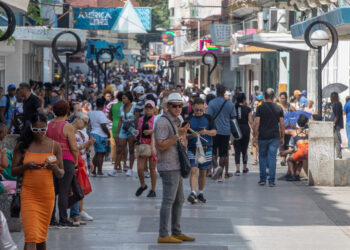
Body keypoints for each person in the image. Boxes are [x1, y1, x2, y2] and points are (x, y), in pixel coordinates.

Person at [12, 113, 64, 249]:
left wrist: (54, 168)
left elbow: (61, 173)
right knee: (31, 237)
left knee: (40, 238)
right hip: (28, 195)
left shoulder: (55, 146)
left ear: (47, 128)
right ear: (30, 128)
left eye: (43, 129)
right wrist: (26, 166)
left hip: (47, 196)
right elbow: (13, 171)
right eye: (36, 130)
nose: (39, 133)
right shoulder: (23, 145)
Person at [154, 92, 195, 244]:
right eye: (175, 106)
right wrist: (178, 136)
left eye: (180, 106)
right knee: (168, 200)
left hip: (176, 164)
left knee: (179, 200)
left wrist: (183, 137)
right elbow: (161, 145)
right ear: (168, 107)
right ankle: (163, 234)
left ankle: (176, 231)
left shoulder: (178, 120)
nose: (178, 108)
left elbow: (178, 139)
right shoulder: (163, 122)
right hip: (168, 165)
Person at [46, 100, 79, 227]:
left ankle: (51, 219)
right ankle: (63, 219)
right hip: (66, 159)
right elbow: (74, 147)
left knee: (53, 190)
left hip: (52, 159)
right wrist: (75, 162)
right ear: (67, 110)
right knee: (64, 191)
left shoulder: (49, 125)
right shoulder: (67, 126)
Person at [253, 88, 285, 187]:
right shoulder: (278, 108)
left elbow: (256, 122)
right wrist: (282, 136)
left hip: (262, 136)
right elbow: (282, 124)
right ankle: (271, 181)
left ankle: (262, 179)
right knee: (272, 158)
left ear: (265, 97)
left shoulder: (260, 108)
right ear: (273, 97)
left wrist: (254, 136)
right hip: (274, 136)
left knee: (262, 157)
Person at [187, 98, 216, 204]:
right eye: (196, 110)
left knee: (203, 172)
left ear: (204, 108)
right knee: (194, 170)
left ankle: (200, 193)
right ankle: (193, 192)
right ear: (193, 108)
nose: (198, 112)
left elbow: (214, 132)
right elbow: (183, 134)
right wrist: (192, 135)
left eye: (200, 110)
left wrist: (206, 132)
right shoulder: (189, 118)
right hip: (192, 148)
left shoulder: (209, 118)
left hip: (206, 147)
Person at [70, 112, 95, 225]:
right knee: (76, 188)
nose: (85, 125)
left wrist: (88, 145)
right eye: (84, 122)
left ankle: (78, 211)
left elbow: (84, 150)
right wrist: (86, 145)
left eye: (87, 123)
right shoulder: (70, 131)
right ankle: (75, 213)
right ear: (78, 118)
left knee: (81, 188)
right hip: (75, 162)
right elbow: (74, 148)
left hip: (82, 162)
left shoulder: (80, 133)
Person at [208, 85, 237, 181]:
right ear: (224, 92)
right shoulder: (230, 104)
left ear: (216, 92)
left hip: (214, 131)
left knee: (212, 151)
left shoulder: (211, 103)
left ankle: (216, 168)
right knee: (223, 154)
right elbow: (233, 118)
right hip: (225, 131)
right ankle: (220, 175)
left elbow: (209, 117)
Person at [135, 100, 157, 197]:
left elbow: (159, 131)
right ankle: (143, 185)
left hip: (152, 144)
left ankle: (153, 189)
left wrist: (151, 132)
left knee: (152, 168)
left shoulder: (156, 119)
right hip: (142, 143)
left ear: (154, 109)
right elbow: (138, 132)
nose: (148, 110)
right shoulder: (141, 119)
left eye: (150, 108)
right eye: (147, 108)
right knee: (140, 168)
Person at [114, 91, 138, 176]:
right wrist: (117, 133)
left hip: (131, 129)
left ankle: (130, 169)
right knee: (120, 148)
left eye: (124, 98)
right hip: (124, 128)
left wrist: (135, 130)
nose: (123, 100)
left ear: (129, 99)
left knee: (131, 149)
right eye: (122, 98)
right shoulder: (122, 107)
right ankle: (115, 168)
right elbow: (120, 120)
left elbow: (137, 120)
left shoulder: (134, 107)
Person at [283, 114, 309, 181]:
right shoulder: (308, 131)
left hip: (300, 151)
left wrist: (288, 126)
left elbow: (282, 131)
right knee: (300, 160)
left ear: (297, 122)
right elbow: (301, 130)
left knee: (289, 160)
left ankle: (293, 175)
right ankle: (297, 175)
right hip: (308, 152)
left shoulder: (293, 131)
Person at [88, 98, 111, 176]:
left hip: (93, 133)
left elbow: (89, 124)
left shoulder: (91, 113)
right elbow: (103, 126)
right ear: (104, 105)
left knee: (98, 153)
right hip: (100, 135)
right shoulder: (101, 114)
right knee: (101, 154)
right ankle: (100, 171)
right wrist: (108, 134)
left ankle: (93, 170)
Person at [233, 93, 253, 176]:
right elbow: (251, 121)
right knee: (244, 150)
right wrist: (254, 131)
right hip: (245, 130)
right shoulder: (248, 109)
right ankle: (244, 168)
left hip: (236, 130)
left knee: (237, 150)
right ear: (244, 100)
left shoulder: (234, 108)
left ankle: (237, 169)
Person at [108, 91, 124, 175]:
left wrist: (114, 120)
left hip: (114, 126)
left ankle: (118, 165)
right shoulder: (125, 105)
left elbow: (109, 116)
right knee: (123, 146)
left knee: (117, 145)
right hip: (122, 126)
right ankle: (122, 164)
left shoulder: (113, 105)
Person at [279, 92, 295, 166]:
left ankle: (284, 158)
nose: (283, 100)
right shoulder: (278, 107)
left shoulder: (290, 106)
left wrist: (292, 122)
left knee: (286, 143)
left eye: (284, 98)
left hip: (288, 128)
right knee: (281, 143)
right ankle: (283, 159)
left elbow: (295, 114)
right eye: (281, 98)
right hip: (280, 128)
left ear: (286, 98)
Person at [331, 92, 344, 159]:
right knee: (333, 140)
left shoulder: (337, 104)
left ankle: (339, 155)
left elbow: (337, 115)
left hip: (336, 125)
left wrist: (333, 124)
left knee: (337, 140)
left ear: (334, 97)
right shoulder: (335, 104)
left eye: (331, 97)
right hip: (335, 125)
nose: (330, 98)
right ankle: (332, 154)